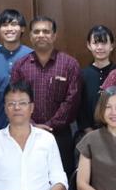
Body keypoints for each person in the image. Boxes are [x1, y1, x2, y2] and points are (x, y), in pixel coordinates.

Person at [11, 16, 82, 175]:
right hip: (27, 134)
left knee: (61, 179)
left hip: (60, 135)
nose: (41, 35)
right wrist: (32, 125)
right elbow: (15, 99)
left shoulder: (69, 64)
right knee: (30, 178)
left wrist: (50, 126)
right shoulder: (20, 66)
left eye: (46, 31)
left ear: (54, 35)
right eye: (36, 32)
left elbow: (72, 101)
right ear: (30, 36)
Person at [0, 9, 34, 135]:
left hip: (29, 128)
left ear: (22, 29)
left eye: (14, 24)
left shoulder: (32, 57)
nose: (9, 29)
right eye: (4, 25)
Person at [78, 25, 116, 136]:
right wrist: (89, 131)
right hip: (89, 134)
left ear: (112, 46)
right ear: (89, 45)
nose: (100, 47)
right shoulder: (82, 74)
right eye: (95, 43)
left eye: (104, 43)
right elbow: (79, 108)